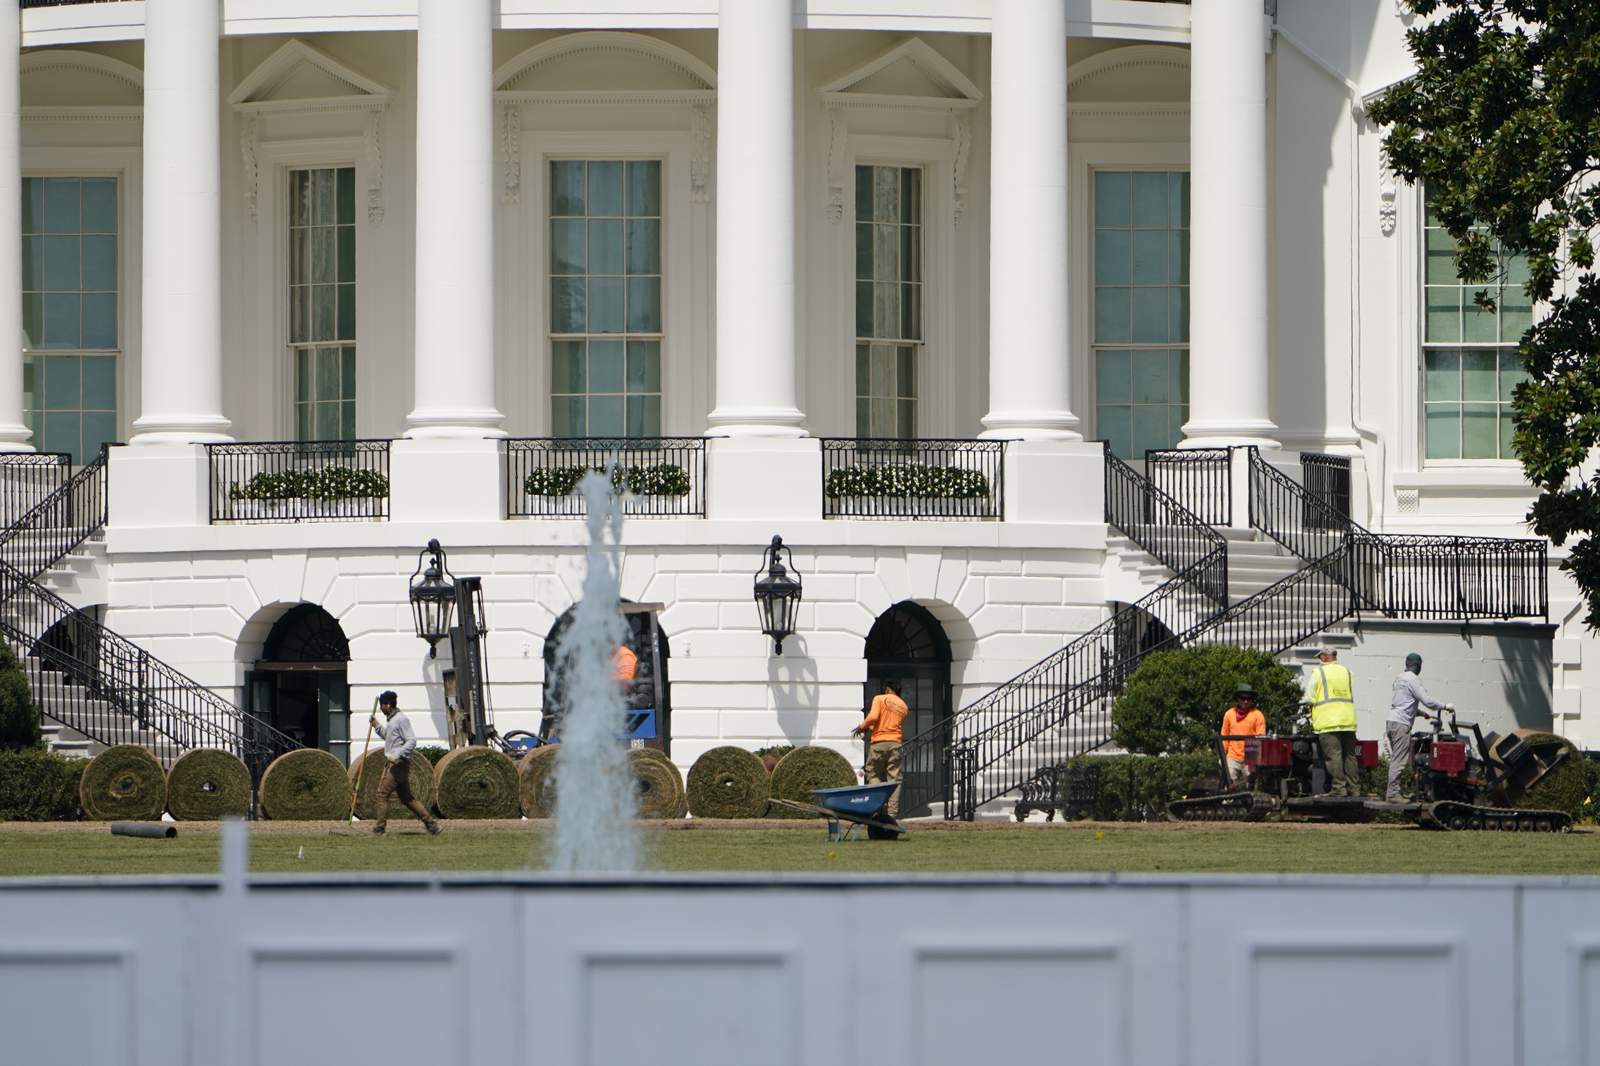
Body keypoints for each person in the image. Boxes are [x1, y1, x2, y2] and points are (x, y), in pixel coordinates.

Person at [369, 690, 442, 836]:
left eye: (382, 705)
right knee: (407, 798)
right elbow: (389, 737)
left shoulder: (401, 719)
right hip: (397, 764)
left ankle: (380, 828)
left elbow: (412, 740)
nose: (381, 708)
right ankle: (431, 825)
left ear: (388, 705)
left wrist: (396, 754)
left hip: (398, 764)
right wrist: (376, 725)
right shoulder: (392, 720)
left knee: (381, 795)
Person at [1385, 652, 1451, 802]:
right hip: (1401, 724)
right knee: (1399, 760)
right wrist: (1444, 706)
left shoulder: (1399, 678)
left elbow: (1403, 703)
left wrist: (1421, 713)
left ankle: (1394, 792)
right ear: (1418, 665)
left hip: (1392, 721)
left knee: (1397, 758)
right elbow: (1427, 700)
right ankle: (1393, 794)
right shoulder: (1413, 679)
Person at [1304, 647, 1360, 797]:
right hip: (1348, 721)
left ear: (1324, 656)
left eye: (1320, 657)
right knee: (1350, 756)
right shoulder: (1347, 672)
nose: (1319, 660)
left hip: (1328, 722)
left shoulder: (1319, 672)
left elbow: (1309, 697)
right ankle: (1354, 789)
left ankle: (1338, 789)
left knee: (1333, 756)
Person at [851, 679, 909, 819]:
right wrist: (871, 727)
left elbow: (874, 717)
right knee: (894, 779)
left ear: (888, 689)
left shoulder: (879, 698)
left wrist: (862, 727)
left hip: (878, 743)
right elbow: (889, 724)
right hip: (895, 743)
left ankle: (876, 808)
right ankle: (892, 813)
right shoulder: (904, 706)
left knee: (873, 774)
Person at [1220, 683, 1266, 787]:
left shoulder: (1257, 715)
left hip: (1250, 755)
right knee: (1229, 784)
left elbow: (1260, 737)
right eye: (1243, 698)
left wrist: (1254, 759)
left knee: (1250, 785)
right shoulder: (1229, 714)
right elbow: (1224, 735)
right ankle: (1228, 802)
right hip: (1232, 756)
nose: (1246, 701)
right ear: (1237, 699)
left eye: (1249, 699)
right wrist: (1222, 756)